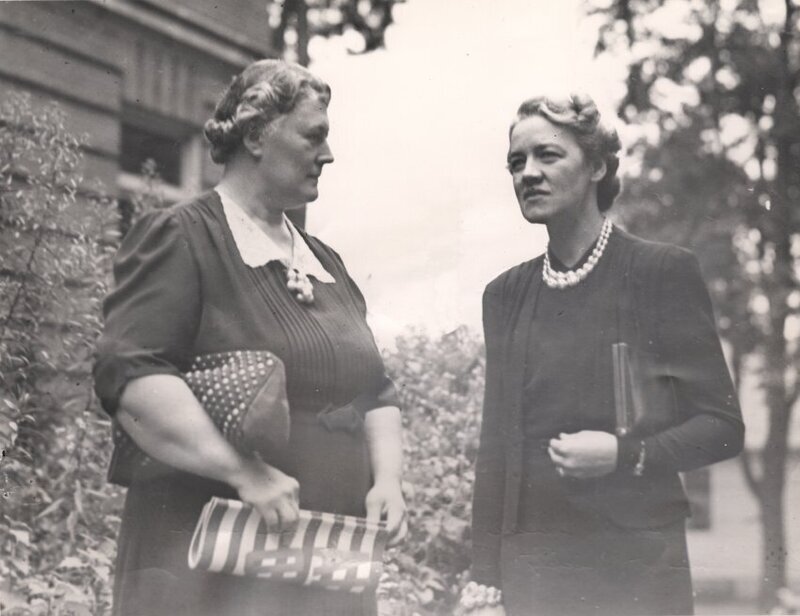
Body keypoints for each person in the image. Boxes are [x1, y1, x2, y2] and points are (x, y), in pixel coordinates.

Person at [94, 59, 406, 616]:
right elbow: (133, 379)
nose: (328, 155)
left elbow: (375, 392)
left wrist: (387, 482)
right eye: (315, 136)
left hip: (326, 557)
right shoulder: (182, 237)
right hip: (211, 557)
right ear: (258, 135)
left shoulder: (325, 264)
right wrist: (245, 473)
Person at [466, 93, 744, 616]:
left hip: (637, 568)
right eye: (516, 162)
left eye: (548, 156)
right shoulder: (504, 295)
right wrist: (485, 575)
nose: (528, 173)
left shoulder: (660, 273)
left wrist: (625, 454)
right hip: (536, 571)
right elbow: (496, 444)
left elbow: (722, 425)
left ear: (597, 165)